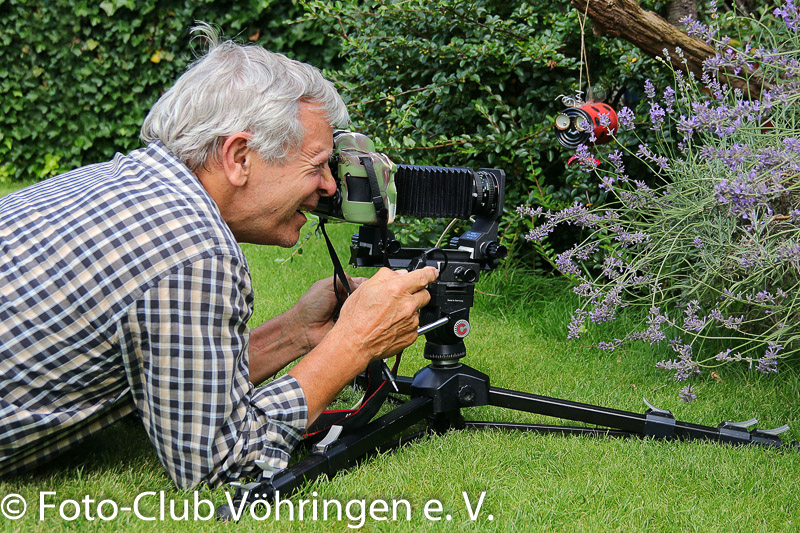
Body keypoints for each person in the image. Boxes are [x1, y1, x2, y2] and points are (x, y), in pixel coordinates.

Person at [0, 24, 437, 489]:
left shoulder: (132, 184)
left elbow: (181, 388)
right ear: (239, 157)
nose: (330, 186)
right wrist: (354, 342)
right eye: (316, 166)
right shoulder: (193, 248)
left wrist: (295, 333)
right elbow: (221, 460)